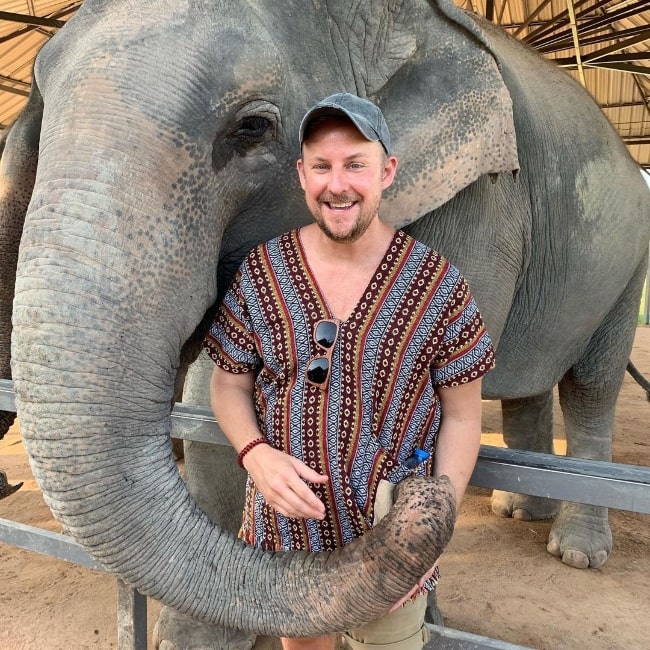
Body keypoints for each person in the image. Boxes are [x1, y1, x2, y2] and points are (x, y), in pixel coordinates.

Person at [204, 93, 495, 650]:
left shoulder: (437, 285)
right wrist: (254, 454)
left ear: (387, 172)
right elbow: (227, 383)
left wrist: (433, 519)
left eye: (355, 164)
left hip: (391, 539)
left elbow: (462, 417)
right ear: (302, 175)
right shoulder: (263, 272)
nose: (338, 185)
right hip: (290, 534)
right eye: (322, 166)